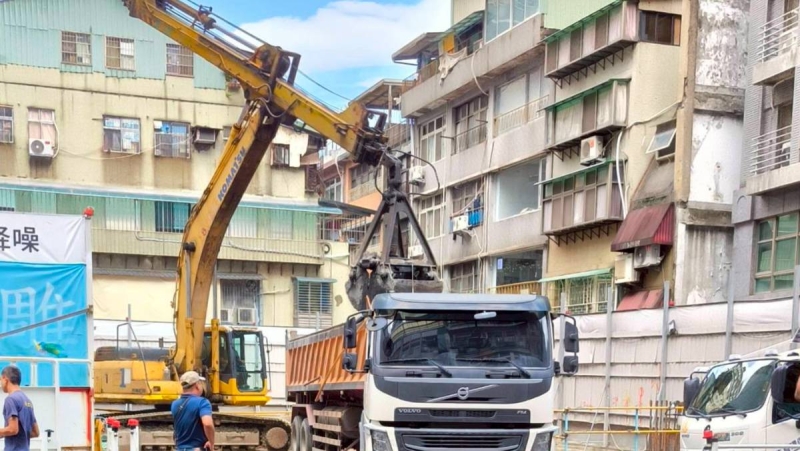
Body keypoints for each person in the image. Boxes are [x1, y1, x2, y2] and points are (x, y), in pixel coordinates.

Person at [172, 371, 215, 451]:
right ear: (197, 386)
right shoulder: (202, 402)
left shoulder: (174, 404)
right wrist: (211, 443)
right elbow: (207, 423)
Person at [0, 365, 39, 451]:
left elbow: (13, 429)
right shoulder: (27, 401)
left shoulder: (10, 399)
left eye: (0, 380)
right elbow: (36, 432)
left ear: (5, 379)